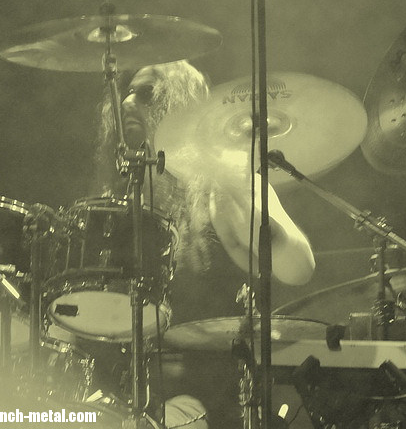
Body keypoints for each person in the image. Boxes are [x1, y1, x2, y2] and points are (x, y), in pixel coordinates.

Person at [91, 60, 316, 427]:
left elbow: (299, 267)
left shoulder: (223, 188)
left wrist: (238, 187)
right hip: (124, 391)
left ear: (179, 105)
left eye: (146, 94)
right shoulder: (119, 201)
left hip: (209, 398)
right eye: (127, 92)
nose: (128, 102)